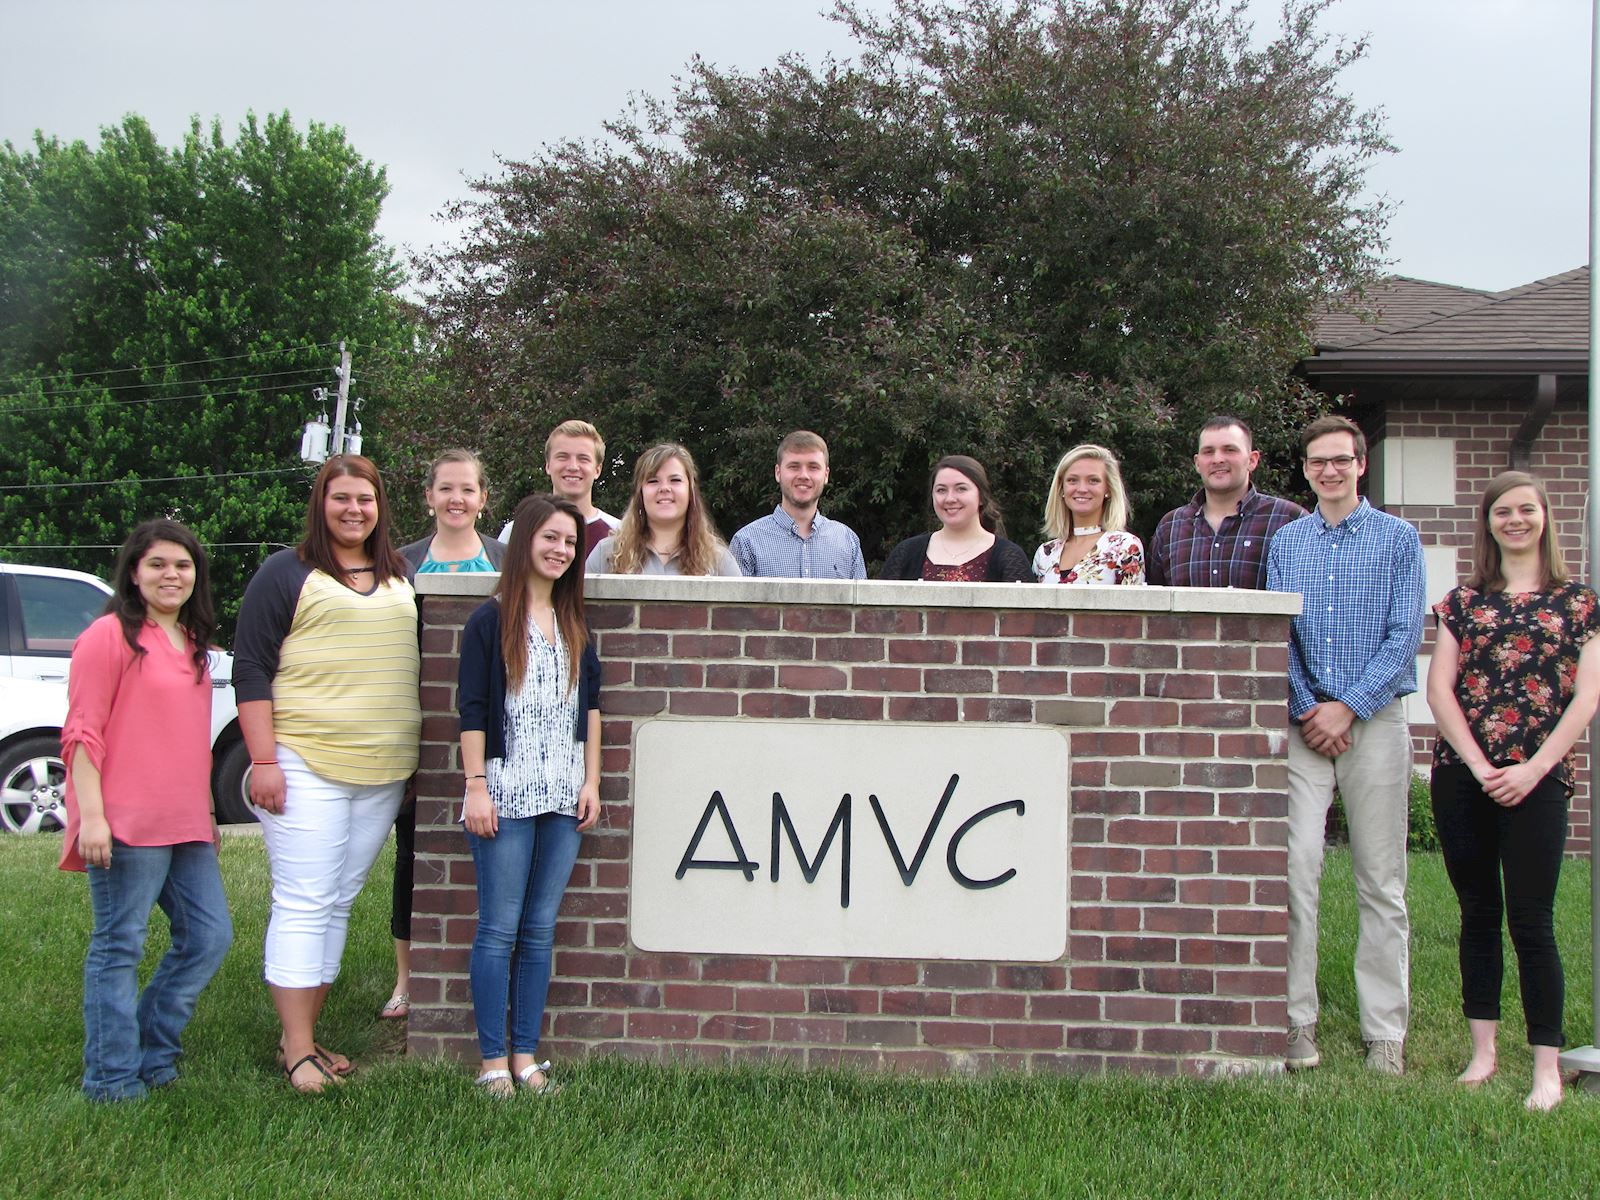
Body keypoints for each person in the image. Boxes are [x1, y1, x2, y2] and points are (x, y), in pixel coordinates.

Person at [234, 455, 422, 1093]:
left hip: (382, 771)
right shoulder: (285, 574)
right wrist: (263, 761)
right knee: (304, 901)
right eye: (341, 498)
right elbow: (252, 670)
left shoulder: (399, 575)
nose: (354, 510)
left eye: (365, 500)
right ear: (322, 504)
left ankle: (303, 1038)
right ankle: (298, 1053)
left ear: (380, 508)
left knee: (337, 902)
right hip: (304, 763)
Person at [1426, 471, 1599, 1112]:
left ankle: (1546, 1069)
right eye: (1503, 511)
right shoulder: (1462, 601)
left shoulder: (1580, 604)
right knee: (1478, 915)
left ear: (1545, 518)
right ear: (1489, 523)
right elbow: (1440, 690)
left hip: (1540, 779)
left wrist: (1532, 768)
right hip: (1463, 776)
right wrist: (1477, 765)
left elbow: (1588, 697)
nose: (1515, 520)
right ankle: (1483, 1054)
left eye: (1527, 509)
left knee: (1533, 921)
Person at [1267, 414, 1425, 1075]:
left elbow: (1404, 634)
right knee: (1296, 869)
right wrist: (1311, 709)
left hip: (1376, 719)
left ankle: (1384, 1030)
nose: (1328, 471)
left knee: (1381, 881)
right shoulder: (1288, 541)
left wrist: (1349, 707)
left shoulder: (1398, 539)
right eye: (1316, 462)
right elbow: (1281, 633)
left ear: (1361, 464)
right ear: (1304, 471)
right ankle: (1296, 1021)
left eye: (1340, 460)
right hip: (1307, 726)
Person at [59, 520, 232, 1101]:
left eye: (182, 565)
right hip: (125, 822)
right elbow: (82, 733)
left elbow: (188, 738)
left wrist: (207, 810)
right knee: (119, 946)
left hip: (184, 821)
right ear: (134, 571)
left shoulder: (194, 645)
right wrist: (93, 816)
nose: (171, 575)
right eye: (157, 564)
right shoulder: (108, 636)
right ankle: (110, 1077)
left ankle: (154, 1052)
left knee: (208, 938)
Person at [459, 495, 601, 1097]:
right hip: (505, 794)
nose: (560, 550)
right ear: (524, 542)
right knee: (498, 929)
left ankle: (525, 1055)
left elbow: (590, 710)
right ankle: (491, 1060)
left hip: (563, 795)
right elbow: (472, 710)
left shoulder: (573, 624)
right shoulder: (489, 622)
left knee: (540, 930)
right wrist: (476, 787)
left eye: (569, 542)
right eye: (549, 538)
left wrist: (591, 781)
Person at [381, 449, 508, 1022]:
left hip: (491, 728)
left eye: (468, 489)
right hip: (419, 728)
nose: (457, 499)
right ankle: (406, 980)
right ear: (429, 496)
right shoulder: (397, 566)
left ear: (485, 499)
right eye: (446, 489)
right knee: (411, 853)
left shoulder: (507, 561)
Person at [1146, 415, 1306, 588]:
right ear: (1197, 463)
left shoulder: (1289, 521)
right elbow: (1154, 606)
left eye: (1229, 450)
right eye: (1208, 451)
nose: (1218, 459)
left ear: (1252, 460)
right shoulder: (1170, 527)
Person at [585, 443, 742, 576]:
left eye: (675, 480)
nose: (664, 488)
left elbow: (738, 612)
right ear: (640, 494)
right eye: (653, 481)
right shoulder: (605, 555)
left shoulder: (719, 561)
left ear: (691, 492)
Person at [729, 431, 867, 579]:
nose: (803, 475)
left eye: (813, 467)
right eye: (794, 466)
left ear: (826, 475)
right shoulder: (746, 542)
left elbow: (862, 601)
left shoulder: (847, 541)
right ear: (778, 472)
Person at [879, 455, 1033, 582]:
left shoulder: (1009, 557)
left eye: (961, 489)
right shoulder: (906, 553)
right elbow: (881, 615)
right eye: (941, 490)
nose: (950, 498)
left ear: (981, 497)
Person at [499, 420, 620, 553]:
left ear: (597, 470)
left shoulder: (619, 533)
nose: (573, 467)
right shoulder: (518, 531)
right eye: (562, 457)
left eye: (583, 459)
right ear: (548, 465)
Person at [1032, 444, 1145, 584]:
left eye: (1093, 480)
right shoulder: (1045, 553)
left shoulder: (1124, 547)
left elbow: (1131, 604)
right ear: (1061, 489)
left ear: (1108, 489)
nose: (1082, 489)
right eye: (1072, 480)